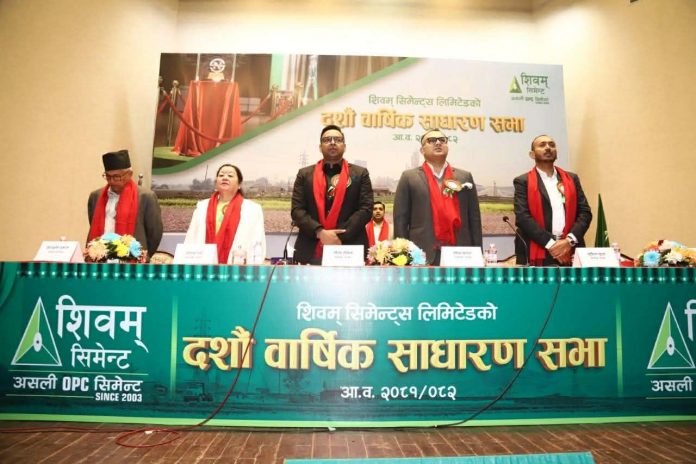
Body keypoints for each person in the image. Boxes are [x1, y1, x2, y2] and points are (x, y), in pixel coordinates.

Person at [393, 129, 482, 265]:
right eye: (432, 140)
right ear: (422, 150)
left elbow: (474, 219)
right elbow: (401, 220)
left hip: (461, 252)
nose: (438, 142)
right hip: (421, 253)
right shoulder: (409, 177)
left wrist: (478, 254)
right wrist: (402, 256)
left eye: (442, 140)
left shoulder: (464, 177)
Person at [291, 125, 373, 264]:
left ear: (344, 146)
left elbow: (366, 209)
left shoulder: (360, 174)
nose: (333, 142)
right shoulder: (305, 174)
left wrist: (338, 235)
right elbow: (297, 210)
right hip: (310, 247)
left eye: (338, 139)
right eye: (327, 139)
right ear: (320, 147)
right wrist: (320, 232)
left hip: (349, 247)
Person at [513, 135, 592, 266]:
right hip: (537, 248)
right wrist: (553, 246)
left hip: (571, 248)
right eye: (542, 145)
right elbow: (522, 217)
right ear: (532, 154)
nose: (548, 147)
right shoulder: (523, 181)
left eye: (552, 145)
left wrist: (568, 241)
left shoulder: (571, 179)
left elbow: (585, 213)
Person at [87, 150, 163, 258]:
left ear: (129, 174)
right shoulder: (95, 197)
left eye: (116, 177)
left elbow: (155, 233)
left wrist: (141, 255)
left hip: (134, 260)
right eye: (108, 176)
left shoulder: (146, 197)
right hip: (100, 259)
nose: (112, 181)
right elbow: (92, 223)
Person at [184, 164, 266, 264]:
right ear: (216, 183)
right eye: (221, 175)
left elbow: (257, 241)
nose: (225, 178)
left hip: (237, 268)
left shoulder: (252, 209)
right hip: (203, 267)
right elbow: (191, 237)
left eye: (230, 176)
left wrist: (252, 267)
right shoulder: (202, 207)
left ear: (239, 184)